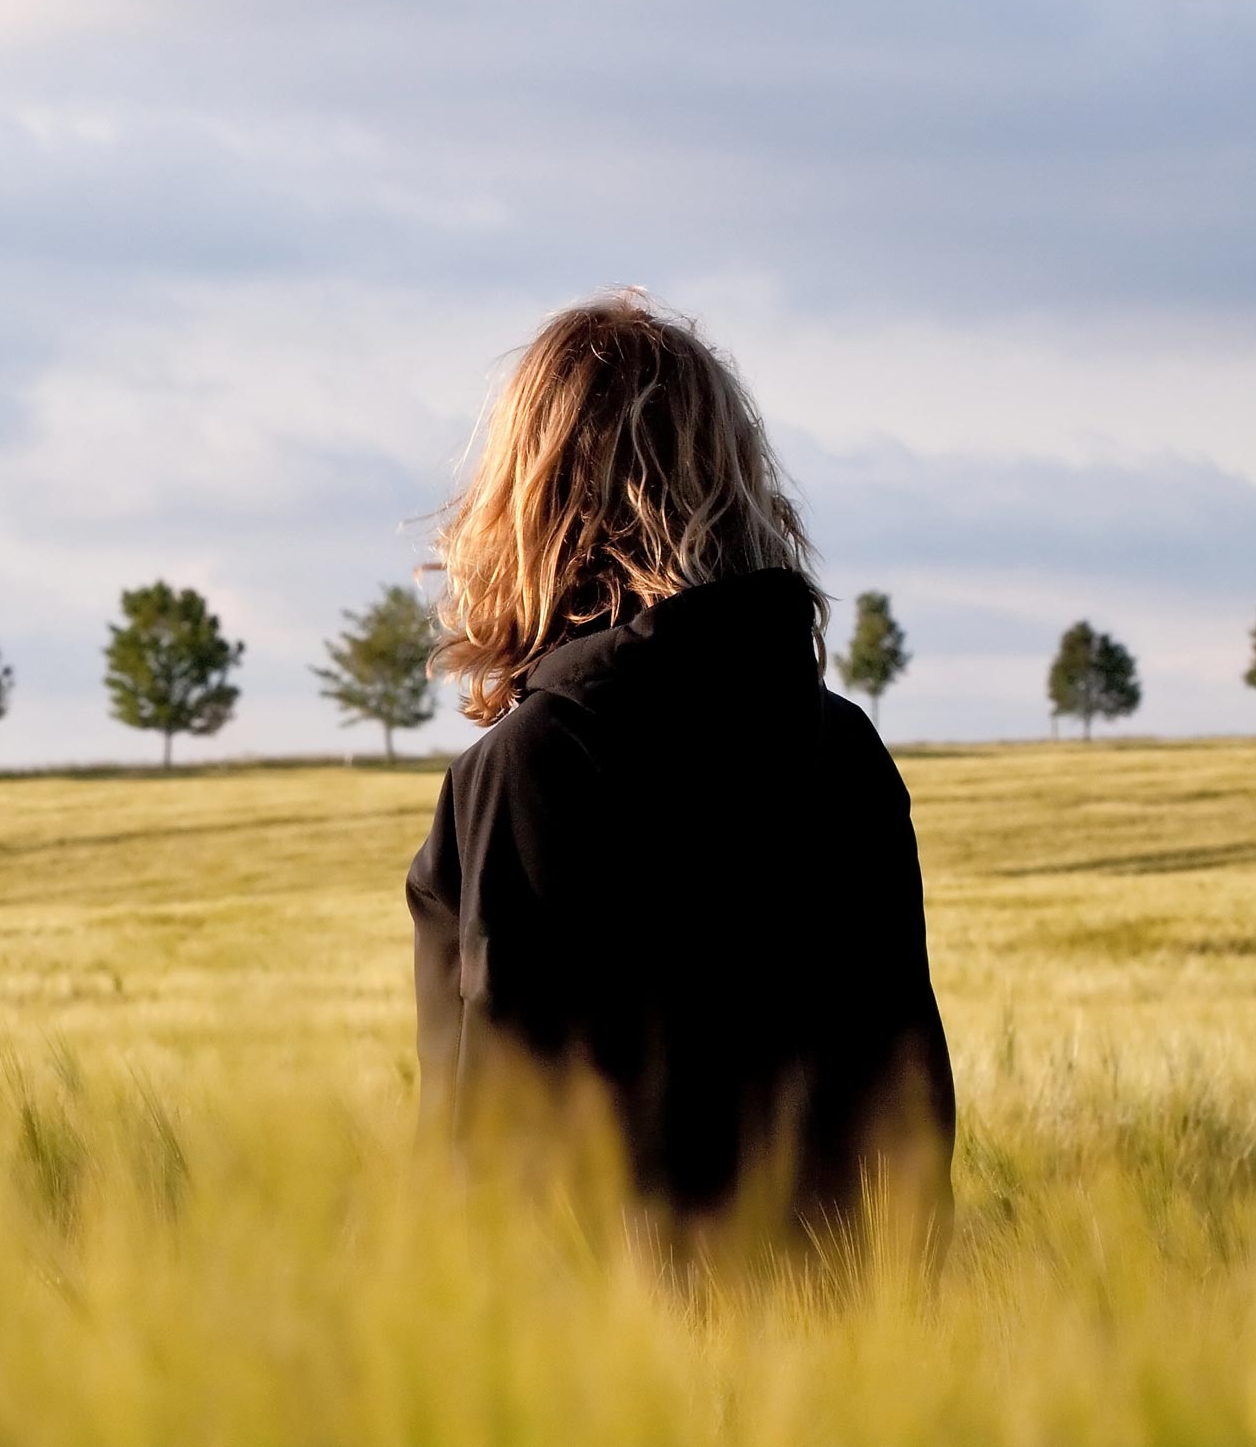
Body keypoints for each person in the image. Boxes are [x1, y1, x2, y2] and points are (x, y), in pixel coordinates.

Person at [405, 292, 954, 1256]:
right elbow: (909, 1122)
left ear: (529, 503)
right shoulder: (845, 751)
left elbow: (487, 1149)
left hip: (605, 1386)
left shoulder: (526, 771)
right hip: (843, 1375)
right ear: (738, 486)